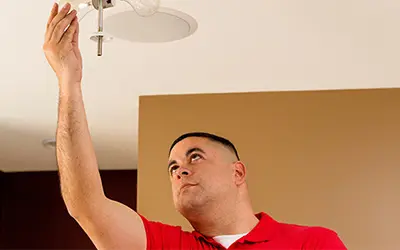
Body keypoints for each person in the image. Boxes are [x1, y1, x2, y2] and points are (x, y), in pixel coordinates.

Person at [42, 2, 347, 249]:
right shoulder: (165, 244)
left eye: (194, 157)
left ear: (237, 172)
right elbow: (86, 206)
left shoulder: (313, 242)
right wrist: (69, 84)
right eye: (172, 168)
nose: (180, 171)